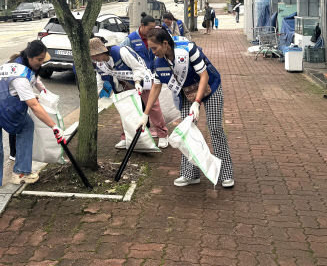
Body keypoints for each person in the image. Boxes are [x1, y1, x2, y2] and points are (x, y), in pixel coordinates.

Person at [141, 27, 234, 188]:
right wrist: (145, 114)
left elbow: (204, 75)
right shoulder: (159, 62)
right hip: (186, 92)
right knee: (186, 132)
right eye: (151, 49)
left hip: (210, 87)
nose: (153, 52)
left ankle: (225, 173)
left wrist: (197, 103)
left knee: (215, 128)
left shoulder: (189, 50)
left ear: (165, 44)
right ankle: (190, 174)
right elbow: (156, 87)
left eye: (154, 48)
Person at [0, 40, 64, 202]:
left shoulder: (20, 63)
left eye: (42, 59)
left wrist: (43, 90)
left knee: (26, 125)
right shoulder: (20, 77)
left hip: (5, 104)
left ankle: (21, 171)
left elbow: (34, 80)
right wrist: (54, 126)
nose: (41, 63)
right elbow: (34, 106)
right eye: (39, 60)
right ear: (30, 57)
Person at [89, 37, 156, 149]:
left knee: (151, 108)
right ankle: (127, 138)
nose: (94, 58)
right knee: (125, 113)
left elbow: (137, 67)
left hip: (139, 82)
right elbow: (100, 80)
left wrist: (137, 81)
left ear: (102, 51)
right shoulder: (100, 64)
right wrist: (98, 96)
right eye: (92, 56)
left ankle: (161, 133)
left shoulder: (120, 52)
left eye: (96, 55)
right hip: (121, 88)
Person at [120, 13, 169, 148]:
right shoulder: (130, 39)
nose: (152, 31)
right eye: (150, 28)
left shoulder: (153, 38)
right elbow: (121, 52)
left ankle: (163, 134)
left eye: (154, 28)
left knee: (153, 107)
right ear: (142, 26)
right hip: (134, 79)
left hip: (151, 78)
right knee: (129, 108)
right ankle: (125, 136)